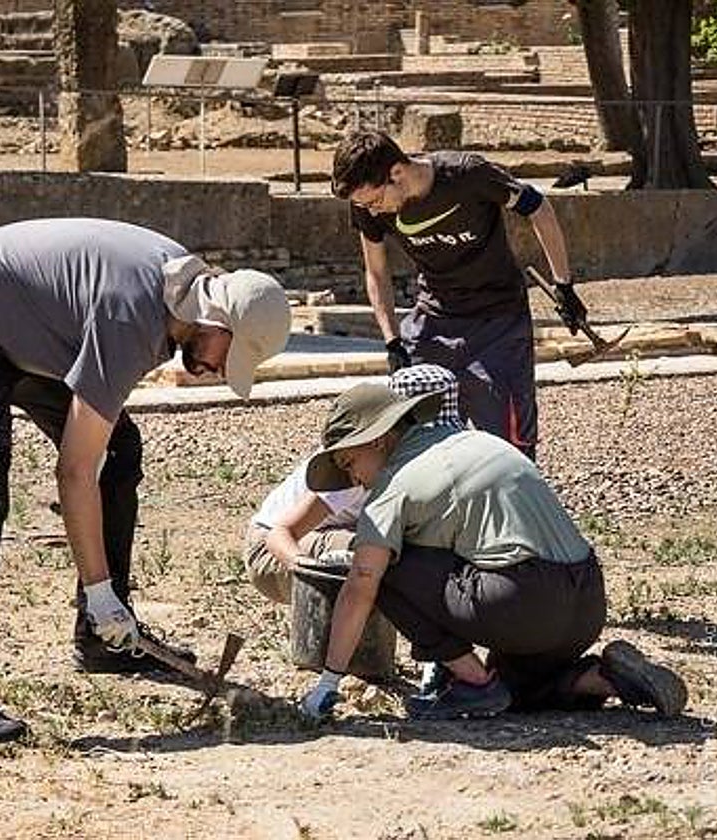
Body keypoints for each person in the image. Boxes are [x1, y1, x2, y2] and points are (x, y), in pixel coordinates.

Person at [0, 217, 292, 742]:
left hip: (19, 335)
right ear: (216, 321)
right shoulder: (131, 316)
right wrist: (97, 588)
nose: (222, 371)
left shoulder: (177, 293)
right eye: (230, 357)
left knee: (119, 450)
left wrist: (103, 598)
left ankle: (102, 637)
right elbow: (75, 471)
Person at [297, 383, 688, 721]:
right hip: (586, 602)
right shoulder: (474, 441)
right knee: (513, 691)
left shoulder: (393, 486)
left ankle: (473, 682)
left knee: (381, 568)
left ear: (377, 439)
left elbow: (362, 583)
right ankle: (607, 679)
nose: (353, 479)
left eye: (349, 463)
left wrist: (329, 681)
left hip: (524, 604)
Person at [330, 130, 588, 460]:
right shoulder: (367, 207)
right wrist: (393, 341)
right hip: (433, 319)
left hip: (499, 320)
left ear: (396, 172)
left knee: (509, 444)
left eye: (375, 201)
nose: (374, 212)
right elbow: (376, 272)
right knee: (408, 437)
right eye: (364, 206)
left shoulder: (467, 174)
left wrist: (563, 285)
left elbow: (538, 207)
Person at [244, 363, 462, 605]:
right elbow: (281, 533)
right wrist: (309, 572)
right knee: (376, 556)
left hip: (334, 533)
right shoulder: (354, 464)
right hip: (271, 551)